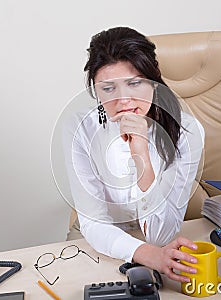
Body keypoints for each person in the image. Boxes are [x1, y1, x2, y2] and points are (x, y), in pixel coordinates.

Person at [62, 26, 205, 283]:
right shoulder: (80, 128)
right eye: (108, 89)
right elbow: (95, 223)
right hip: (99, 238)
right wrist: (149, 255)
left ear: (154, 79)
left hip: (158, 237)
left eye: (135, 83)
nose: (123, 100)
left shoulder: (188, 131)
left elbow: (160, 235)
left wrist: (141, 152)